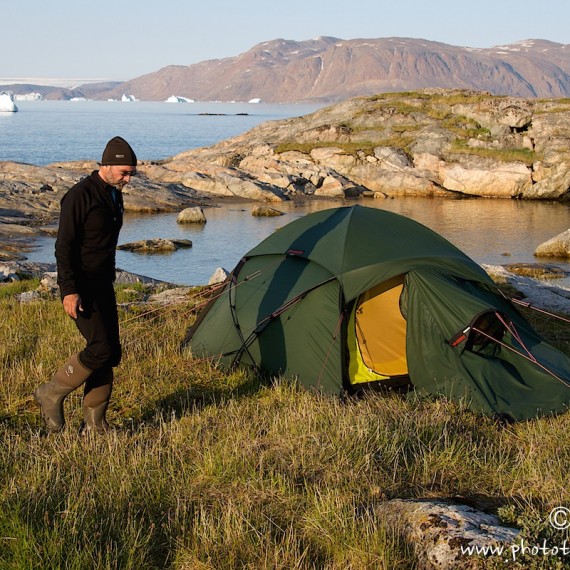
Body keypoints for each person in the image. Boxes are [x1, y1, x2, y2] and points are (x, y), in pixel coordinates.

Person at [33, 136, 137, 434]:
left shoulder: (114, 194)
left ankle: (95, 424)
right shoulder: (79, 196)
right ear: (106, 165)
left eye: (132, 173)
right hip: (82, 285)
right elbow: (63, 247)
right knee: (100, 349)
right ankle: (50, 393)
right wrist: (69, 290)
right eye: (124, 172)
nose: (128, 179)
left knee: (110, 352)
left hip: (104, 283)